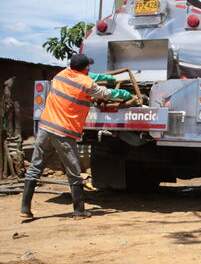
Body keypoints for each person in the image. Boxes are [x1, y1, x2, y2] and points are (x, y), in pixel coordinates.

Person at [20, 54, 132, 219]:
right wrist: (123, 93)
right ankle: (79, 210)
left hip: (45, 127)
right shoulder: (86, 84)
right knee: (73, 171)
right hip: (63, 132)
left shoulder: (61, 75)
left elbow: (90, 77)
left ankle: (24, 208)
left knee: (36, 167)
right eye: (88, 67)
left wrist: (106, 77)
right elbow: (105, 93)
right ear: (86, 68)